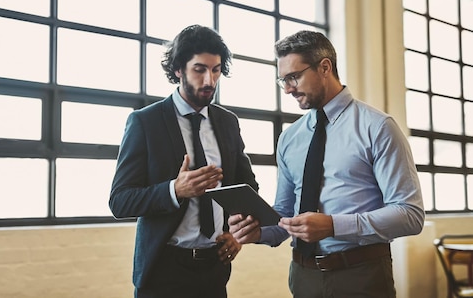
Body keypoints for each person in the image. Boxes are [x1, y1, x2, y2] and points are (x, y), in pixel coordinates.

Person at [228, 30, 425, 298]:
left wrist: (334, 225)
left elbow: (410, 215)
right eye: (282, 80)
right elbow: (286, 213)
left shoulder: (378, 127)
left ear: (324, 67)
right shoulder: (289, 138)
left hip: (361, 276)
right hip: (302, 276)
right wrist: (258, 232)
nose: (287, 89)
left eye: (293, 77)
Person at [109, 25, 259, 298]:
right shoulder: (146, 122)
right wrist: (174, 190)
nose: (209, 80)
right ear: (178, 69)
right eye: (199, 69)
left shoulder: (227, 123)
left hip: (214, 269)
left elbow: (247, 189)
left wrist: (236, 233)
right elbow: (120, 201)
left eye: (216, 70)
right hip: (162, 271)